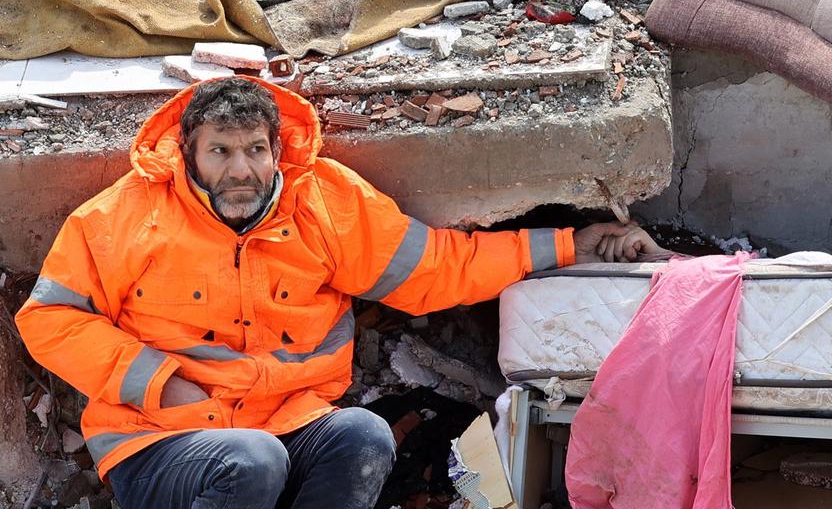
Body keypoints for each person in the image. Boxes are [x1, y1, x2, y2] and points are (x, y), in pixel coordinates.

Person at [15, 76, 664, 509]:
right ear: (189, 153)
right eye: (220, 152)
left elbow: (439, 268)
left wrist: (579, 245)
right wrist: (159, 381)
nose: (241, 170)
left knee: (362, 435)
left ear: (278, 151)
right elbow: (48, 318)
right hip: (157, 441)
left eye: (255, 150)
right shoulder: (122, 214)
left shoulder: (324, 200)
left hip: (286, 424)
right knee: (252, 463)